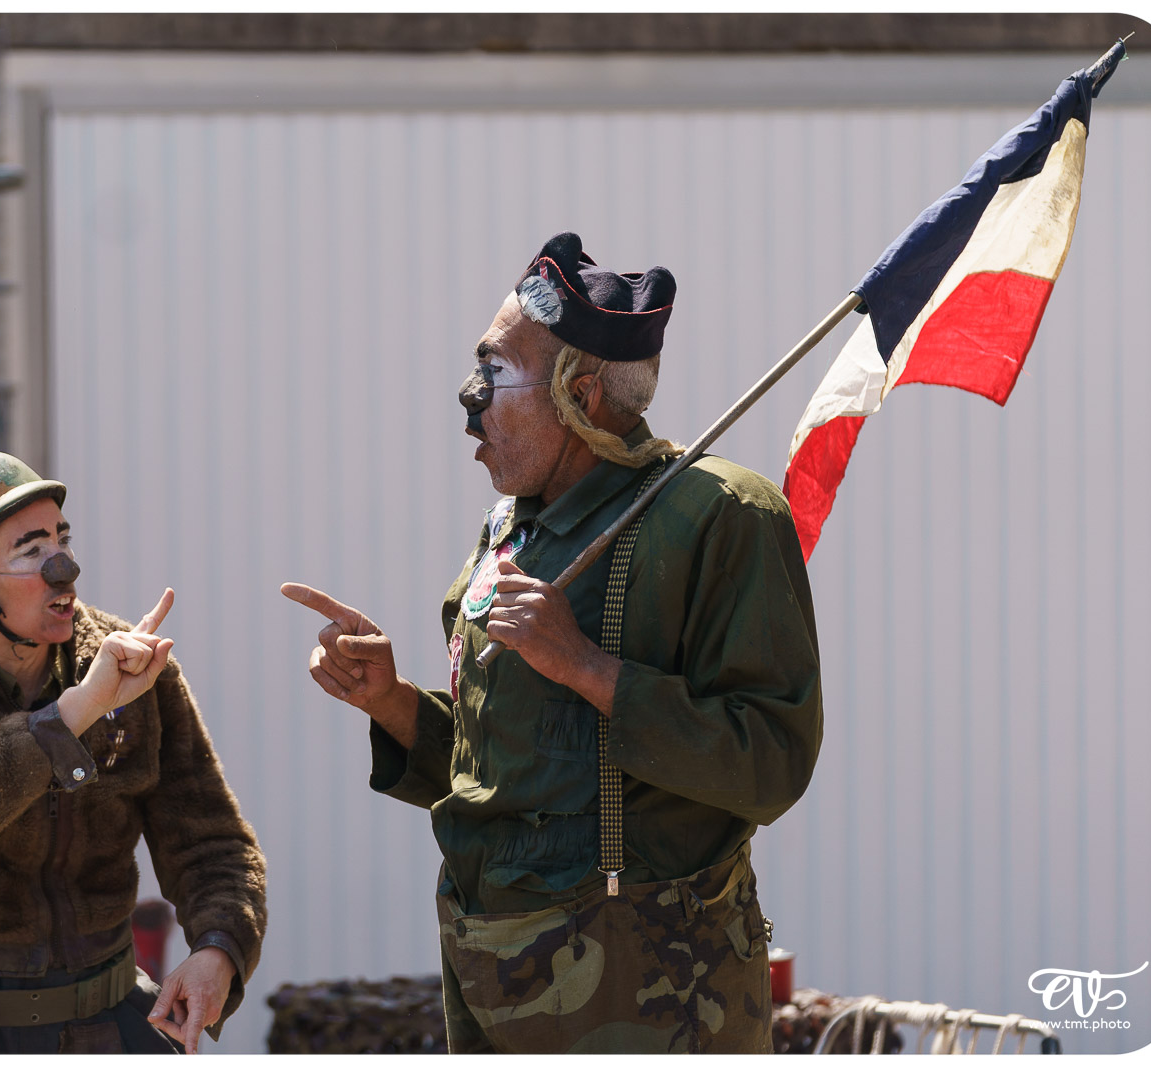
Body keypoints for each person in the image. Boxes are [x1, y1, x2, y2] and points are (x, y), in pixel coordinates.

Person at [283, 233, 821, 1054]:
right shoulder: (511, 527)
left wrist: (590, 670)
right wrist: (389, 700)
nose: (470, 397)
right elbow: (507, 779)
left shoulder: (719, 516)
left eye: (495, 372)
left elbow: (772, 764)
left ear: (584, 393)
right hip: (494, 975)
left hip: (648, 990)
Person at [0, 452, 266, 1054]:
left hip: (105, 1027)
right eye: (29, 550)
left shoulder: (133, 670)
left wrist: (220, 949)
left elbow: (211, 841)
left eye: (61, 538)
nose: (64, 566)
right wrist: (73, 715)